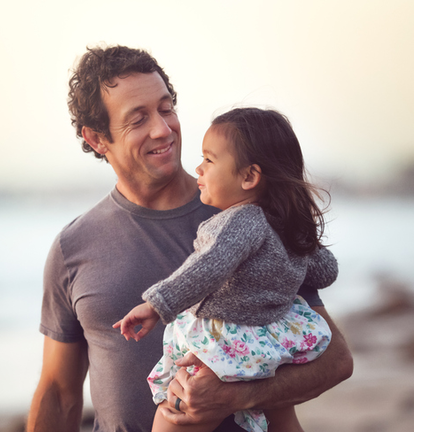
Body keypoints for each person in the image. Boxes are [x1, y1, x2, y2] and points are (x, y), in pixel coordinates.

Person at [27, 45, 353, 432]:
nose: (163, 128)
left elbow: (335, 361)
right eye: (138, 119)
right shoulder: (73, 247)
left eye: (166, 108)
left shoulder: (251, 215)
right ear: (98, 139)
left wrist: (237, 397)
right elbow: (59, 392)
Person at [114, 107, 337, 432]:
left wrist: (156, 305)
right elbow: (326, 272)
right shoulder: (286, 228)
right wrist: (302, 243)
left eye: (209, 160)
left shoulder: (241, 219)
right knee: (282, 419)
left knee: (173, 416)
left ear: (249, 177)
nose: (198, 168)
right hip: (270, 342)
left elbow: (208, 267)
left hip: (224, 340)